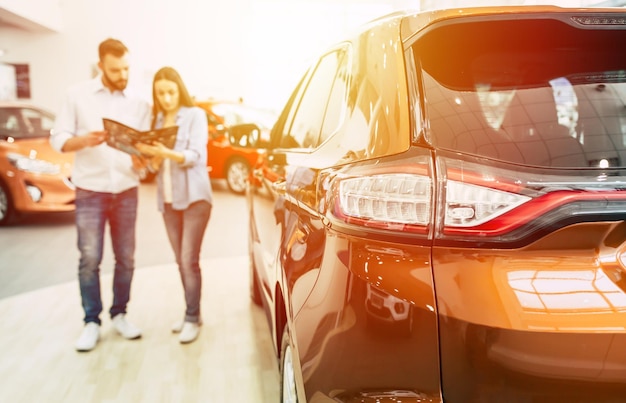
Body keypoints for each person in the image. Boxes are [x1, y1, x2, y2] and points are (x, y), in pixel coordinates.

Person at [50, 38, 151, 352]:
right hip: (90, 190)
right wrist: (83, 142)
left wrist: (142, 160)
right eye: (115, 70)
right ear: (100, 66)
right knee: (89, 258)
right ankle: (91, 321)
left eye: (126, 68)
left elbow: (144, 153)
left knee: (127, 258)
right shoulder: (76, 95)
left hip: (126, 189)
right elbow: (58, 139)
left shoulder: (140, 103)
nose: (122, 75)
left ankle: (120, 314)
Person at [135, 66, 213, 344]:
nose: (166, 98)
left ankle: (192, 317)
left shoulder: (194, 116)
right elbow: (157, 165)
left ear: (179, 89)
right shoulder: (156, 120)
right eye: (160, 93)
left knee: (188, 261)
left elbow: (196, 155)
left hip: (195, 199)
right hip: (167, 200)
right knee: (180, 262)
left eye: (170, 92)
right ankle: (192, 313)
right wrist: (148, 157)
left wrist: (164, 152)